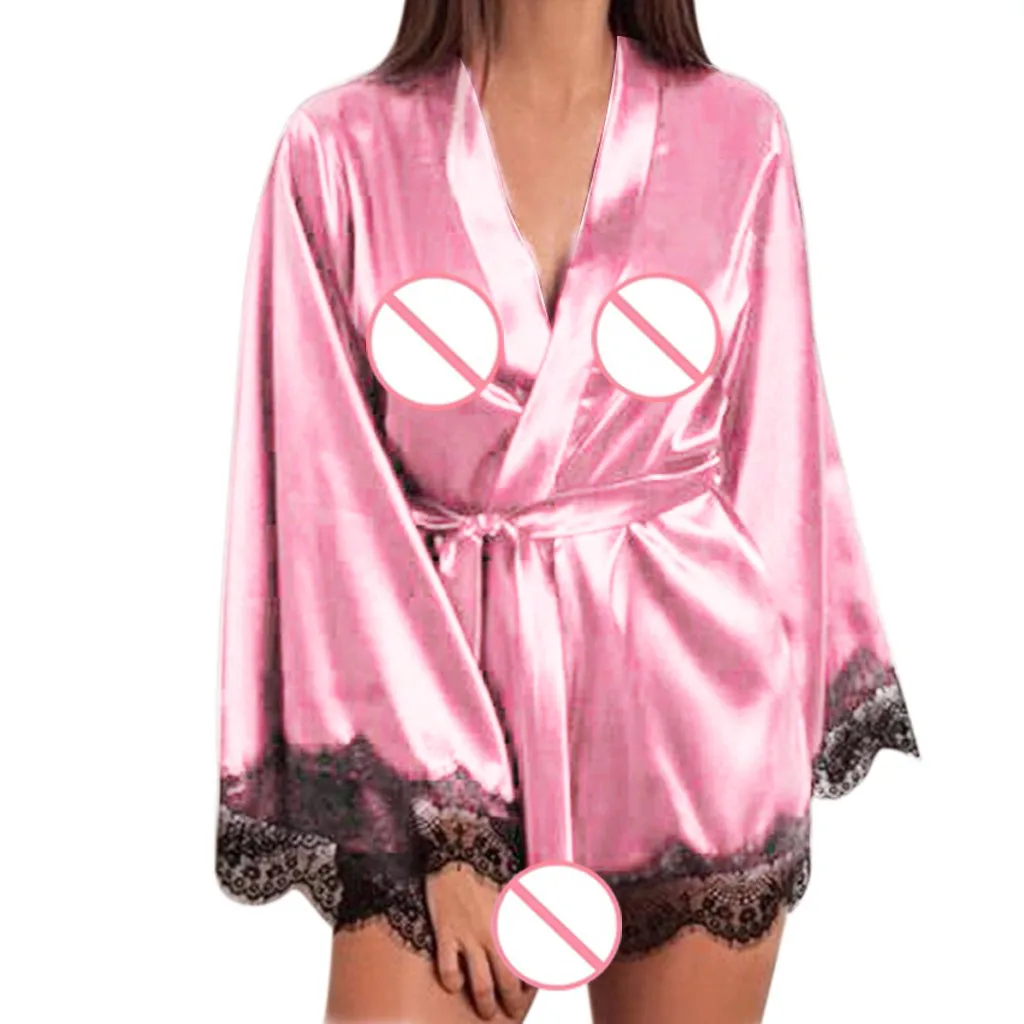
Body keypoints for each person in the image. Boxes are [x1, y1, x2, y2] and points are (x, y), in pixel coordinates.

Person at [214, 2, 922, 1021]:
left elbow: (781, 451)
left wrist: (782, 718)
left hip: (689, 722)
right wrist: (439, 815)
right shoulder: (339, 148)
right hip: (435, 715)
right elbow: (329, 502)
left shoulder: (736, 132)